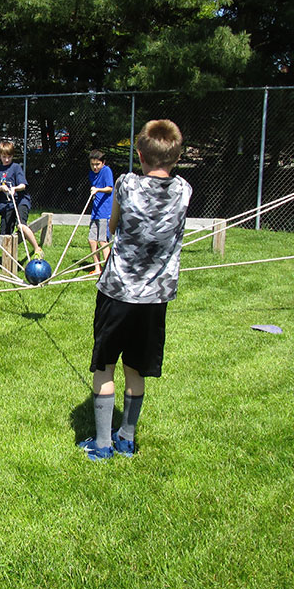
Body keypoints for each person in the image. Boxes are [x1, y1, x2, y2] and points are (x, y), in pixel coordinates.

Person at [80, 120, 192, 460]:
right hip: (155, 299)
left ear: (140, 155)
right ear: (176, 157)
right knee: (135, 369)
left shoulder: (126, 183)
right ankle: (127, 438)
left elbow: (112, 226)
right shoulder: (185, 189)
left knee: (105, 368)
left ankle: (102, 446)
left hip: (117, 293)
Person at [0, 141, 43, 261]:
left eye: (9, 156)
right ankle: (8, 260)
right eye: (4, 156)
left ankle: (37, 249)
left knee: (21, 225)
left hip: (20, 201)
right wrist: (0, 188)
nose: (7, 159)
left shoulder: (16, 167)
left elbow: (23, 185)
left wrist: (15, 188)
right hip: (6, 205)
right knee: (5, 234)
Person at [87, 149, 114, 276]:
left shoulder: (106, 171)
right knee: (92, 240)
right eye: (92, 164)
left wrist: (97, 190)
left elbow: (109, 188)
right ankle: (97, 268)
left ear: (103, 163)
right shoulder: (91, 174)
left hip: (105, 211)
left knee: (103, 241)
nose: (95, 167)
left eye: (97, 164)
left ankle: (108, 270)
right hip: (95, 211)